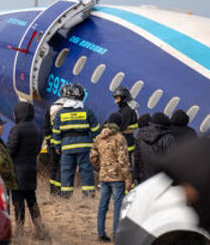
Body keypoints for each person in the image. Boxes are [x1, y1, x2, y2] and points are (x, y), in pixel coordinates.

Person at [7, 101, 47, 238]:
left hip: (17, 171)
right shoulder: (36, 129)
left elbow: (11, 149)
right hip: (31, 169)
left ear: (19, 113)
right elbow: (37, 150)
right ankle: (40, 229)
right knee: (32, 201)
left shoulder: (16, 129)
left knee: (18, 202)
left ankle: (19, 231)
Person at [52, 83, 100, 198]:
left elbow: (56, 132)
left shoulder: (60, 114)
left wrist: (57, 147)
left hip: (67, 148)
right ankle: (88, 195)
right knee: (86, 171)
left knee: (67, 172)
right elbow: (96, 130)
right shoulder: (87, 112)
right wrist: (96, 145)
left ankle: (66, 196)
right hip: (84, 147)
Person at [90, 113, 132, 242]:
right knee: (118, 206)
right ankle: (116, 234)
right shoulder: (120, 139)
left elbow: (93, 157)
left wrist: (102, 167)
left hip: (103, 177)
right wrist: (128, 179)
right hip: (117, 178)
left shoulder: (99, 137)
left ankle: (101, 234)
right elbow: (123, 161)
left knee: (103, 205)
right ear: (119, 124)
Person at [43, 87, 68, 194]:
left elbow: (46, 128)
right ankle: (58, 190)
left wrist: (48, 143)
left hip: (53, 143)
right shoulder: (70, 108)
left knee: (53, 167)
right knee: (62, 167)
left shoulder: (52, 107)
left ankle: (52, 190)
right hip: (64, 143)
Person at [138, 112, 176, 181]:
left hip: (145, 178)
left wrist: (136, 176)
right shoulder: (168, 138)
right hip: (162, 179)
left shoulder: (141, 135)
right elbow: (173, 160)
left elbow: (136, 157)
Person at [112, 86, 139, 154]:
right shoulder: (132, 110)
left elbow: (118, 128)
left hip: (124, 145)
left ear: (123, 98)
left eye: (117, 98)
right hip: (129, 143)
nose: (116, 101)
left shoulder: (125, 112)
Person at [132, 113, 151, 184]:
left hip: (142, 172)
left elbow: (136, 157)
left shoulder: (139, 136)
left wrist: (135, 175)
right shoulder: (159, 134)